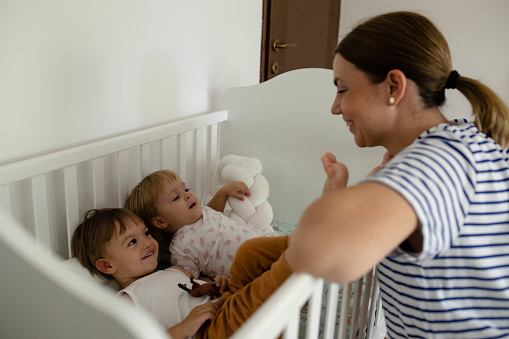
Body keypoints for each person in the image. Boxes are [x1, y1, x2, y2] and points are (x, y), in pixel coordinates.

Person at [283, 11, 509, 338]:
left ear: (393, 85)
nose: (335, 107)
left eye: (342, 90)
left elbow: (311, 253)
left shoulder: (431, 165)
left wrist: (341, 200)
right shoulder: (472, 140)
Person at [72, 208, 291, 339]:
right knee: (252, 297)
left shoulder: (174, 270)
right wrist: (183, 328)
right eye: (132, 242)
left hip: (225, 303)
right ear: (107, 266)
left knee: (248, 253)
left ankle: (300, 245)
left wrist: (219, 283)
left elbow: (201, 286)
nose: (148, 242)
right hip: (211, 331)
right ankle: (298, 261)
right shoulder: (129, 300)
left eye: (146, 233)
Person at [124, 170, 275, 277]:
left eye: (186, 189)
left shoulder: (202, 213)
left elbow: (211, 211)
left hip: (266, 241)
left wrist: (223, 192)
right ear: (161, 222)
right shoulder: (181, 248)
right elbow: (189, 279)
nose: (188, 195)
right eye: (176, 197)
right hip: (256, 270)